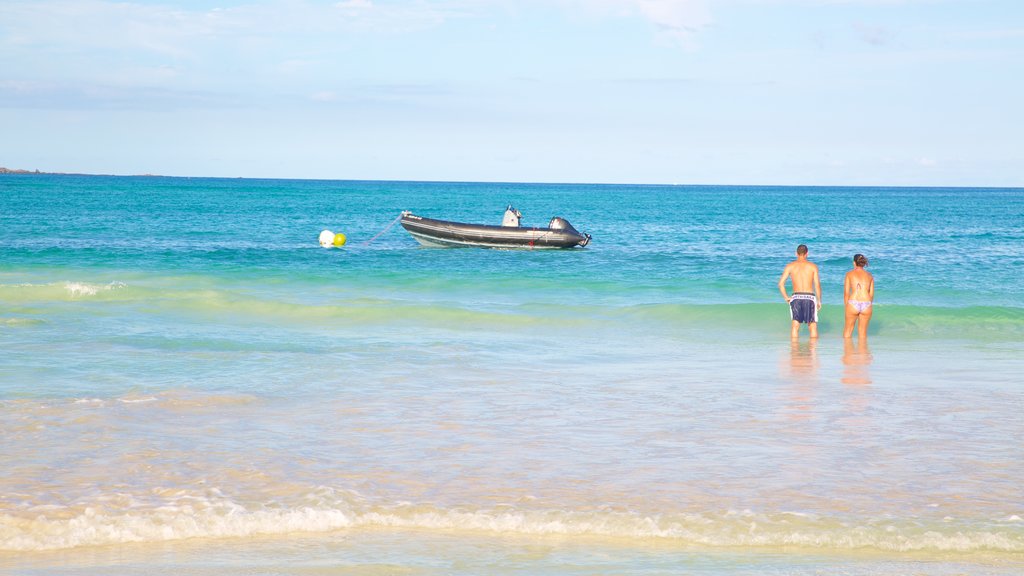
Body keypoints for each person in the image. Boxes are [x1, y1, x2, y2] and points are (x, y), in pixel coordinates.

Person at [778, 244, 822, 339]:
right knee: (812, 326)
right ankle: (813, 351)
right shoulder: (813, 267)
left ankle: (794, 351)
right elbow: (817, 285)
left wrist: (786, 297)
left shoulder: (790, 266)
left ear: (796, 253)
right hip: (809, 297)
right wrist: (819, 300)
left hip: (796, 297)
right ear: (807, 254)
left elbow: (781, 284)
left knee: (795, 326)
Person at [843, 253, 874, 339]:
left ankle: (848, 351)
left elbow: (846, 293)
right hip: (866, 303)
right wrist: (868, 304)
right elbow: (871, 294)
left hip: (853, 302)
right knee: (863, 333)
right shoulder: (870, 275)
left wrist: (847, 306)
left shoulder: (849, 274)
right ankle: (863, 351)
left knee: (848, 332)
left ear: (854, 263)